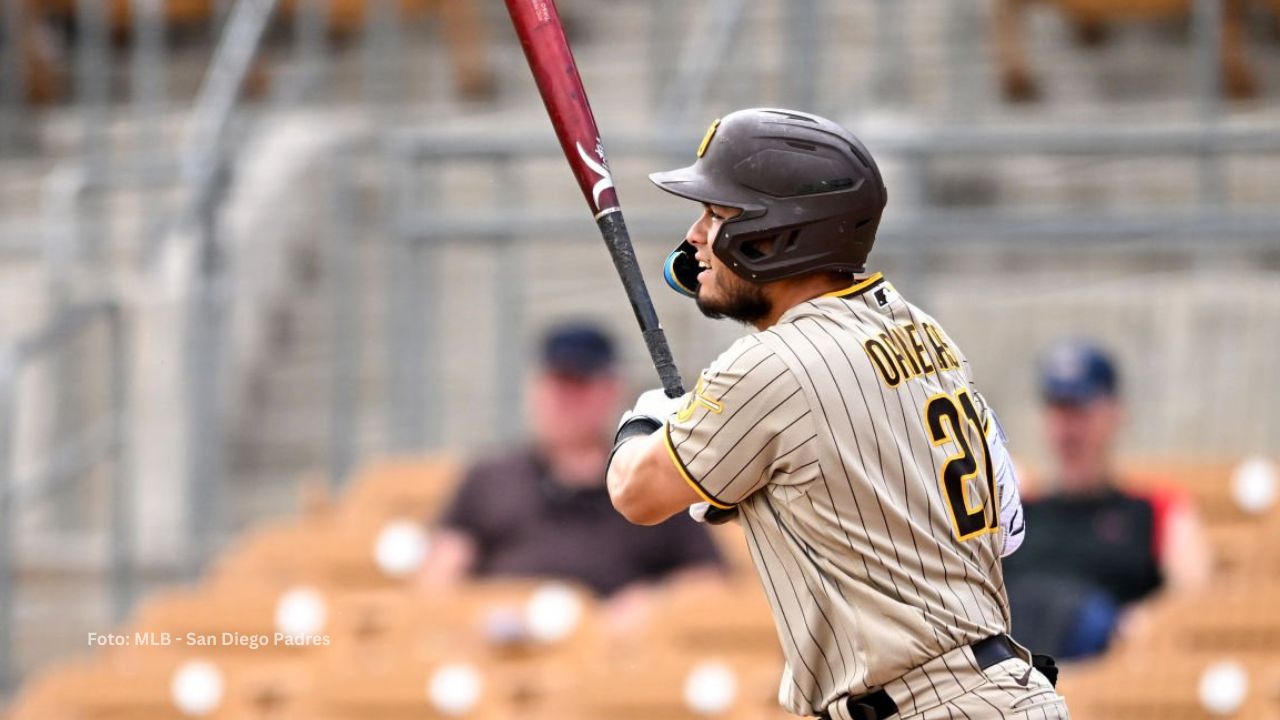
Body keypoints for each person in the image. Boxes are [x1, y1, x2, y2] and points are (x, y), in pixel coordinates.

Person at [607, 108, 1068, 720]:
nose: (695, 234)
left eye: (718, 214)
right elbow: (1006, 524)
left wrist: (644, 420)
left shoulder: (771, 365)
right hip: (993, 690)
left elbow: (635, 493)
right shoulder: (922, 329)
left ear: (775, 235)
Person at [419, 323, 724, 625]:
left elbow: (709, 583)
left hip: (613, 657)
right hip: (500, 648)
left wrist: (655, 601)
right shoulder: (489, 479)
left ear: (611, 391)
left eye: (579, 385)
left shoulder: (647, 479)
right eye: (556, 384)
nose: (564, 400)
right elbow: (438, 579)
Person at [1001, 342, 1212, 660]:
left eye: (1080, 410)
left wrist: (1142, 625)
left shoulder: (1154, 510)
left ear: (1115, 414)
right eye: (1058, 410)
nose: (1068, 430)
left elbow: (1197, 602)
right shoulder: (1016, 513)